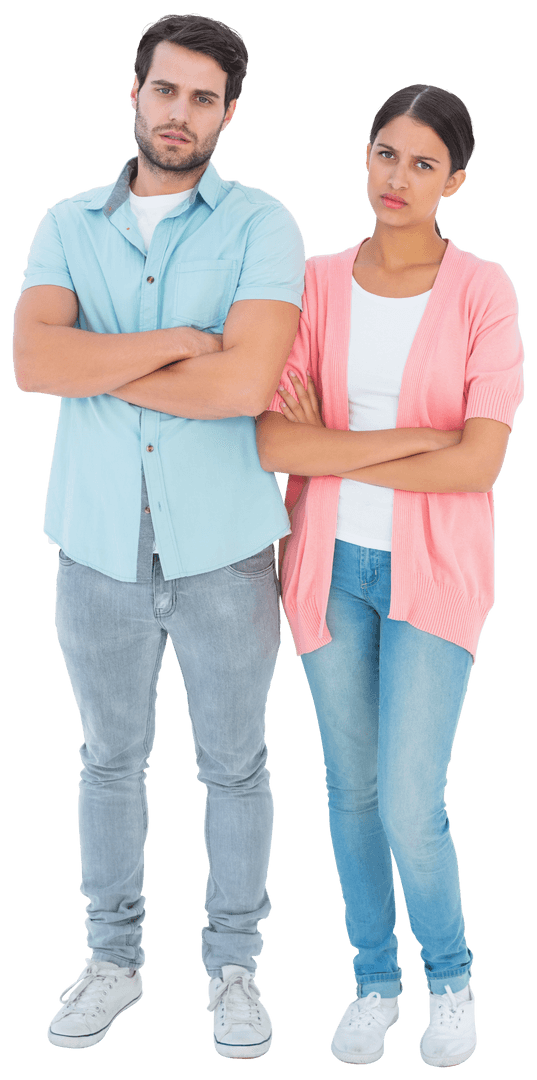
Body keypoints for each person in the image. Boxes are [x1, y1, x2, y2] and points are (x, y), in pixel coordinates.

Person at [13, 13, 305, 1057]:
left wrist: (109, 356)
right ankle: (112, 961)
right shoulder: (64, 225)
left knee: (234, 768)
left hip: (226, 550)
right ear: (134, 92)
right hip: (95, 549)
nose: (180, 114)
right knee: (108, 761)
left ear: (228, 112)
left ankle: (235, 969)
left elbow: (243, 384)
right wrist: (180, 343)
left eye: (203, 98)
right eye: (165, 90)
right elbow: (36, 365)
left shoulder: (262, 225)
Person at [256, 83, 524, 1068]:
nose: (397, 177)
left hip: (437, 574)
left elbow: (480, 464)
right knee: (352, 793)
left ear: (455, 178)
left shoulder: (485, 289)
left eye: (421, 162)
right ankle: (375, 980)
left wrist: (341, 442)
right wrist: (412, 438)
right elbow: (277, 443)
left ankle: (450, 981)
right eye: (384, 153)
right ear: (363, 157)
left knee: (414, 799)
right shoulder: (314, 282)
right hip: (327, 566)